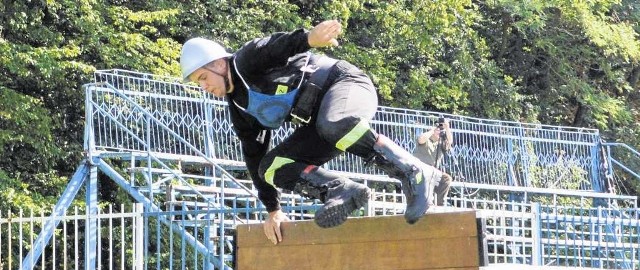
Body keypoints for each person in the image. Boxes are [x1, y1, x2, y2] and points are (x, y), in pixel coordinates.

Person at [180, 20, 441, 244]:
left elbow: (277, 46)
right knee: (271, 167)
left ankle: (415, 171)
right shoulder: (238, 107)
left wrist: (310, 38)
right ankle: (340, 190)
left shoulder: (246, 61)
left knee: (334, 123)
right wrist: (273, 210)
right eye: (197, 83)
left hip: (345, 83)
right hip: (319, 122)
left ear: (218, 64)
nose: (203, 87)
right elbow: (254, 154)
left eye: (203, 78)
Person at [414, 118, 453, 206]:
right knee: (423, 182)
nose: (439, 131)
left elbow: (450, 141)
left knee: (446, 179)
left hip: (432, 172)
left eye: (440, 130)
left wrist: (447, 127)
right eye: (437, 130)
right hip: (419, 171)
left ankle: (440, 203)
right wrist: (433, 129)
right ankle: (424, 203)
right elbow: (421, 139)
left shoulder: (440, 143)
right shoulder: (425, 139)